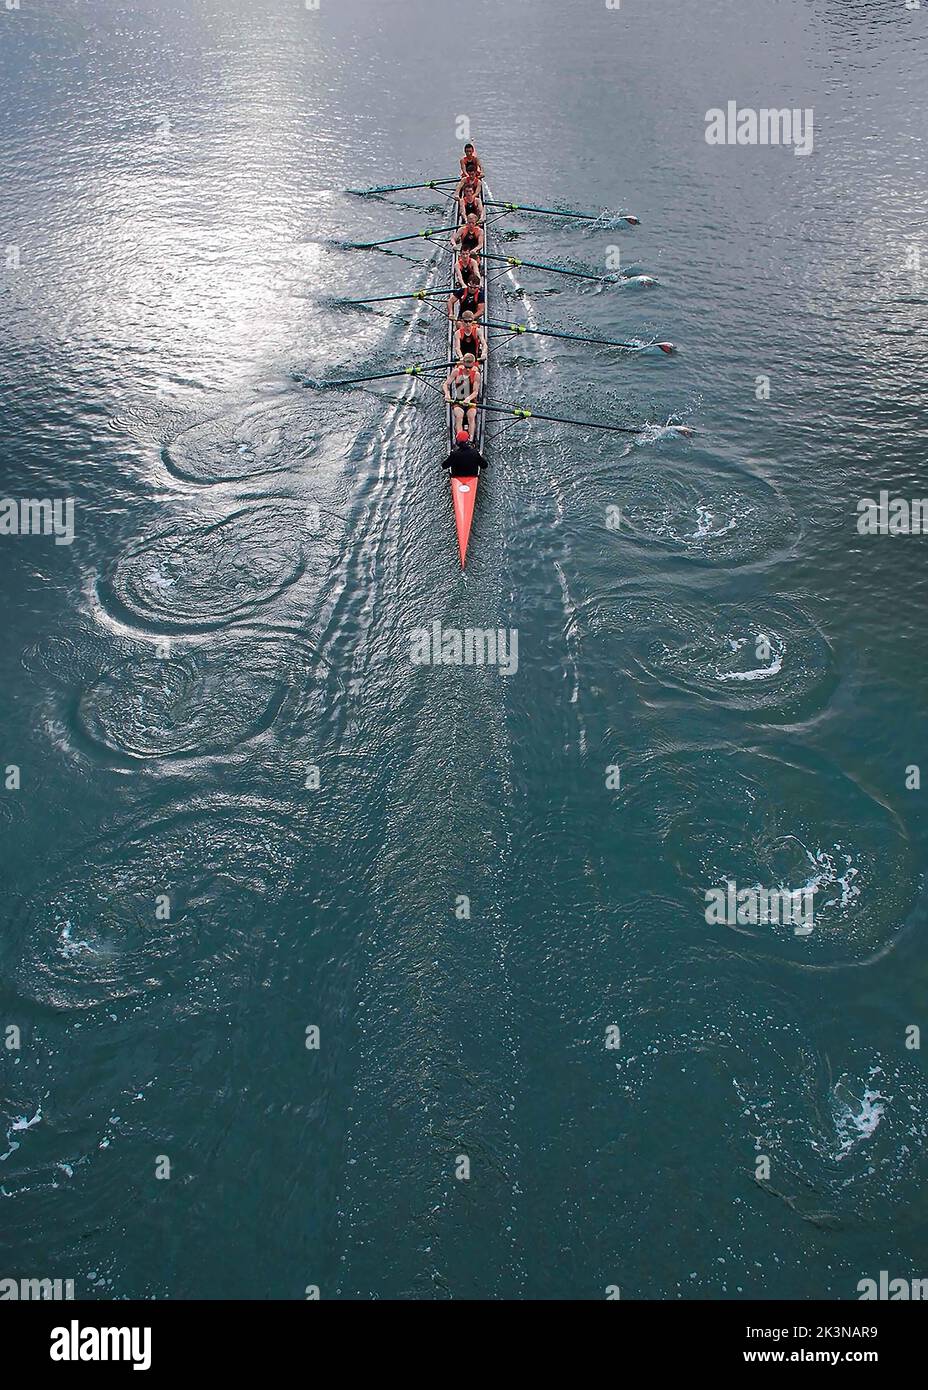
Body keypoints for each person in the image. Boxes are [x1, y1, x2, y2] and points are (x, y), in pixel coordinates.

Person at [442, 354, 481, 437]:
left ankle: (470, 440)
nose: (468, 369)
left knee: (471, 416)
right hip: (458, 400)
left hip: (471, 401)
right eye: (466, 367)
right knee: (459, 416)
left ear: (473, 364)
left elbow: (475, 392)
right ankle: (460, 439)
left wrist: (468, 398)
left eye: (470, 367)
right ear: (463, 363)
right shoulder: (456, 371)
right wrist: (447, 394)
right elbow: (446, 384)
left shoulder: (476, 375)